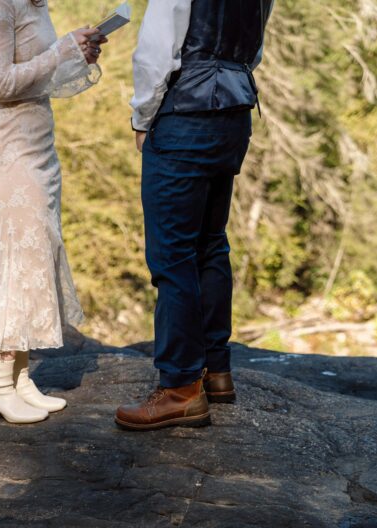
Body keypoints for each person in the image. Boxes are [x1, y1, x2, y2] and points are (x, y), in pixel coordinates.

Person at [115, 0, 273, 431]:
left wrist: (142, 115)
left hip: (186, 112)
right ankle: (215, 372)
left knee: (172, 255)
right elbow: (253, 47)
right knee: (210, 242)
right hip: (235, 111)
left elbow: (156, 50)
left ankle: (181, 387)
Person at [0, 1, 107, 424]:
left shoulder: (33, 3)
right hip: (10, 155)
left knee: (36, 262)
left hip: (39, 150)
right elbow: (1, 84)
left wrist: (75, 55)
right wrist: (62, 50)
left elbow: (41, 80)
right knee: (17, 263)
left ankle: (18, 377)